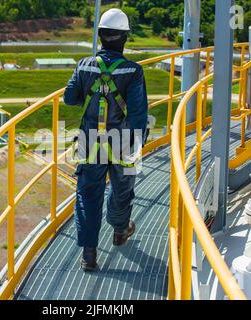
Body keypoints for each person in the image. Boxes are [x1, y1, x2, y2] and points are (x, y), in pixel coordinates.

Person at [64, 8, 149, 272]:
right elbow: (137, 114)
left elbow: (69, 98)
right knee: (122, 191)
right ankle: (120, 229)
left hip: (90, 143)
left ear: (100, 36)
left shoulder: (84, 65)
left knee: (88, 195)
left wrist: (90, 95)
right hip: (123, 142)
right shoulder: (133, 71)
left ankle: (89, 255)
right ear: (124, 38)